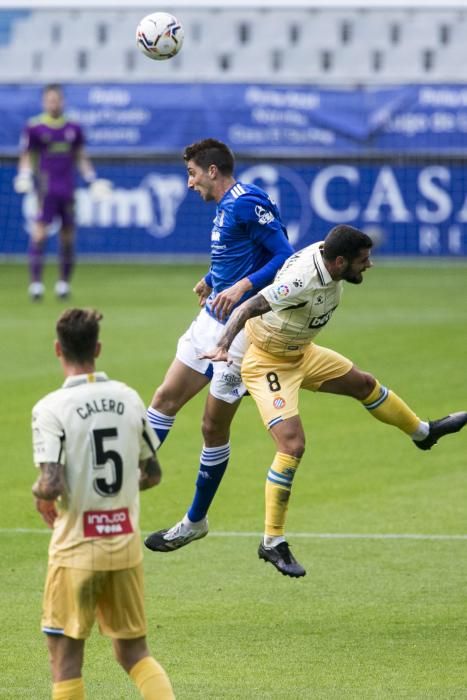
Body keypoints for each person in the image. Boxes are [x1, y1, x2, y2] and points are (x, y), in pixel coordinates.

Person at [202, 224, 467, 578]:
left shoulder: (331, 255)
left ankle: (423, 433)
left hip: (301, 351)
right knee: (292, 445)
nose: (369, 265)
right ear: (340, 262)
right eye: (363, 260)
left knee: (364, 384)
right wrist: (222, 345)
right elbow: (247, 308)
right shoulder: (301, 281)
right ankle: (272, 542)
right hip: (269, 361)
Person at [144, 138, 294, 553]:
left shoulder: (247, 201)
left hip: (244, 330)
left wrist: (244, 287)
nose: (190, 183)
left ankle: (195, 520)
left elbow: (284, 255)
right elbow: (237, 251)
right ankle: (118, 483)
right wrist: (212, 279)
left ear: (212, 170)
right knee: (164, 398)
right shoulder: (226, 208)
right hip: (209, 320)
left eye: (192, 173)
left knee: (212, 427)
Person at [31, 308, 174, 700]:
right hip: (124, 547)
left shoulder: (50, 409)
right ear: (98, 347)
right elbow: (153, 473)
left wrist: (39, 494)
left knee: (65, 660)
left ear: (58, 349)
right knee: (135, 653)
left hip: (75, 550)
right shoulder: (128, 398)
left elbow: (51, 483)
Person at [14, 84, 111, 301]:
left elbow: (81, 156)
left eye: (56, 100)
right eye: (49, 100)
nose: (53, 104)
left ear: (62, 101)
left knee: (67, 237)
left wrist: (91, 179)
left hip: (68, 189)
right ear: (44, 102)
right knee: (39, 234)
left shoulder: (73, 128)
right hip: (45, 189)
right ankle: (36, 285)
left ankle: (63, 284)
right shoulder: (34, 127)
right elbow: (26, 154)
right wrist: (24, 174)